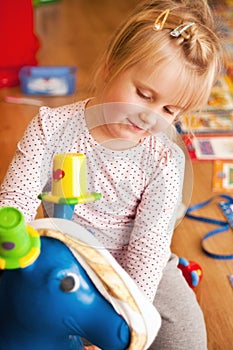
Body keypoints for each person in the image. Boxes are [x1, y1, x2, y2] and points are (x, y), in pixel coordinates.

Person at [0, 0, 223, 349]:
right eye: (143, 95)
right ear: (109, 66)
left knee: (186, 333)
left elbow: (147, 251)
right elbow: (16, 202)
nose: (149, 116)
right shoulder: (51, 126)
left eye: (168, 109)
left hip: (137, 265)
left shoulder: (164, 158)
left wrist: (127, 313)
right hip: (62, 257)